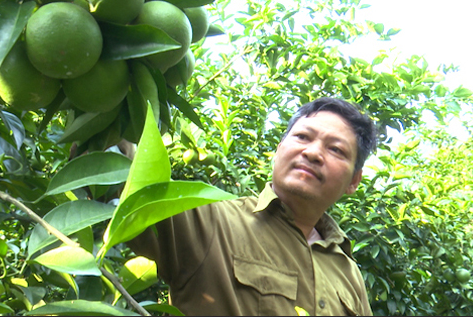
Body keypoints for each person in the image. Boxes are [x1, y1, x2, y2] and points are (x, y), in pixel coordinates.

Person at [127, 97, 377, 316]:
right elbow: (124, 178)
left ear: (354, 181)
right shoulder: (211, 221)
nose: (312, 153)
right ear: (278, 151)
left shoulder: (348, 272)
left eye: (335, 149)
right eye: (302, 137)